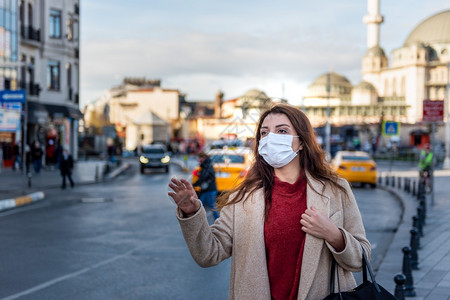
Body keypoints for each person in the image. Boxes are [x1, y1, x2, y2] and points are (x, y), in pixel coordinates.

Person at [168, 103, 370, 300]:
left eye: (281, 131)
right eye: (264, 133)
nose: (270, 138)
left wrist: (334, 235)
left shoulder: (336, 190)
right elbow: (208, 254)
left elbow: (361, 259)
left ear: (301, 141)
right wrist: (192, 213)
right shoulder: (243, 198)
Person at [192, 151, 219, 220]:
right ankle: (198, 221)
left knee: (212, 207)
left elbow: (203, 177)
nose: (199, 160)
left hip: (209, 189)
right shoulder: (207, 164)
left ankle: (219, 222)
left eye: (200, 158)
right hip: (207, 189)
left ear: (203, 158)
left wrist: (194, 184)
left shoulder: (206, 165)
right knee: (202, 206)